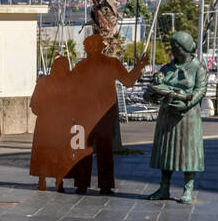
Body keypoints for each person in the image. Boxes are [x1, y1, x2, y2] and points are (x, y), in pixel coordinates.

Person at [66, 34, 148, 196]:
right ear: (101, 47)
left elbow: (70, 88)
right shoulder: (112, 64)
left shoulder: (82, 66)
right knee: (105, 149)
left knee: (84, 149)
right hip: (105, 113)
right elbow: (129, 81)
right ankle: (105, 185)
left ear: (88, 48)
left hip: (86, 113)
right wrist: (138, 67)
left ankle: (82, 184)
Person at [145, 31, 207, 204]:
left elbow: (200, 90)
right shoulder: (168, 67)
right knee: (166, 152)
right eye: (172, 47)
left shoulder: (197, 67)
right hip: (168, 115)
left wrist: (187, 104)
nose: (173, 50)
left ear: (186, 48)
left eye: (176, 47)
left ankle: (188, 189)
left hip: (188, 117)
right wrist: (156, 85)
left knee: (189, 154)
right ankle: (164, 187)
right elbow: (158, 82)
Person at [29, 56, 90, 192]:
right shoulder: (65, 83)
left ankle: (49, 181)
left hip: (53, 122)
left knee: (53, 152)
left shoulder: (48, 82)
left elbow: (34, 104)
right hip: (56, 122)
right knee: (55, 152)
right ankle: (53, 181)